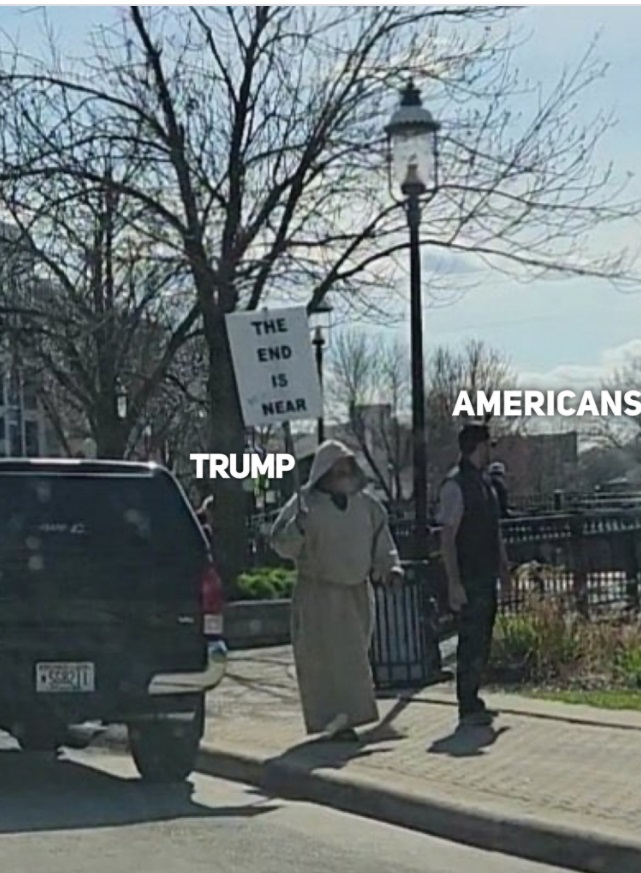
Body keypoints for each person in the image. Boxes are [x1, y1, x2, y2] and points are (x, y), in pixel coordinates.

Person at [270, 440, 403, 742]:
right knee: (327, 664)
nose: (342, 473)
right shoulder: (305, 504)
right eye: (336, 468)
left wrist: (391, 568)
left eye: (346, 466)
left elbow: (383, 542)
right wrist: (297, 527)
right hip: (320, 596)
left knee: (355, 661)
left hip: (356, 593)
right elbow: (281, 545)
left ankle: (353, 717)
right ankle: (335, 723)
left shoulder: (367, 505)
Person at [437, 422, 512, 727]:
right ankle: (467, 703)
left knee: (482, 639)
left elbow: (495, 532)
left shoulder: (485, 484)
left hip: (486, 572)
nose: (489, 451)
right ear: (477, 446)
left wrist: (505, 571)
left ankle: (474, 696)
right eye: (487, 445)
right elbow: (447, 538)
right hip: (468, 574)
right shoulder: (455, 485)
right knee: (469, 640)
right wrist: (453, 582)